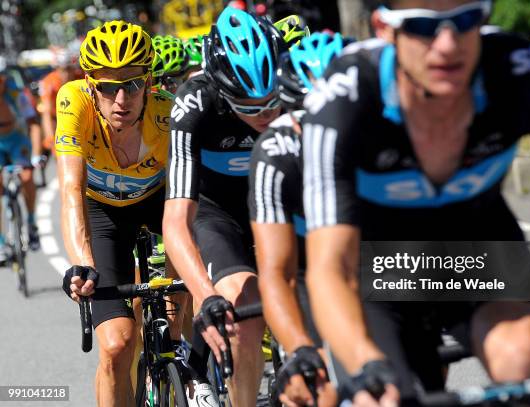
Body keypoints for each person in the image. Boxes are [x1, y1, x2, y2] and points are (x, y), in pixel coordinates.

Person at [301, 0, 530, 405]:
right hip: (379, 268)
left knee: (519, 357)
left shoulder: (527, 72)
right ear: (384, 28)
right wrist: (363, 365)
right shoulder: (343, 96)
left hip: (476, 250)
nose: (447, 45)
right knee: (384, 393)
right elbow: (330, 267)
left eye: (464, 22)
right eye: (423, 27)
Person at [56, 21, 187, 406]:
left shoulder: (167, 114)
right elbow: (71, 189)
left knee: (173, 325)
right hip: (102, 212)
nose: (121, 100)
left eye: (131, 84)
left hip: (158, 201)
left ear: (149, 81)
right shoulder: (73, 100)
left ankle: (177, 365)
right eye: (108, 86)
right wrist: (81, 265)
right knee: (116, 346)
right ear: (90, 85)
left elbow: (187, 205)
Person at [163, 6, 284, 407]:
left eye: (272, 101)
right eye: (248, 107)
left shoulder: (298, 88)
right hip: (220, 214)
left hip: (280, 205)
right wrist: (206, 296)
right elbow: (177, 221)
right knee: (241, 317)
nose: (265, 113)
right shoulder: (194, 102)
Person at [248, 32, 351, 407]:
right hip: (307, 267)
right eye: (314, 118)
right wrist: (300, 349)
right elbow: (278, 274)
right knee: (317, 389)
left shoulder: (391, 135)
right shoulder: (276, 152)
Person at [0, 57, 42, 260]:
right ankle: (1, 242)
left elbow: (33, 124)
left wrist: (35, 154)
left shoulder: (16, 94)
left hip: (17, 140)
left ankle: (32, 224)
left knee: (26, 178)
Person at [39, 49, 82, 154]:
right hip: (56, 118)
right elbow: (47, 113)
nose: (67, 75)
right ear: (57, 69)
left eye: (69, 69)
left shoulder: (81, 77)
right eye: (63, 70)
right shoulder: (49, 81)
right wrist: (50, 136)